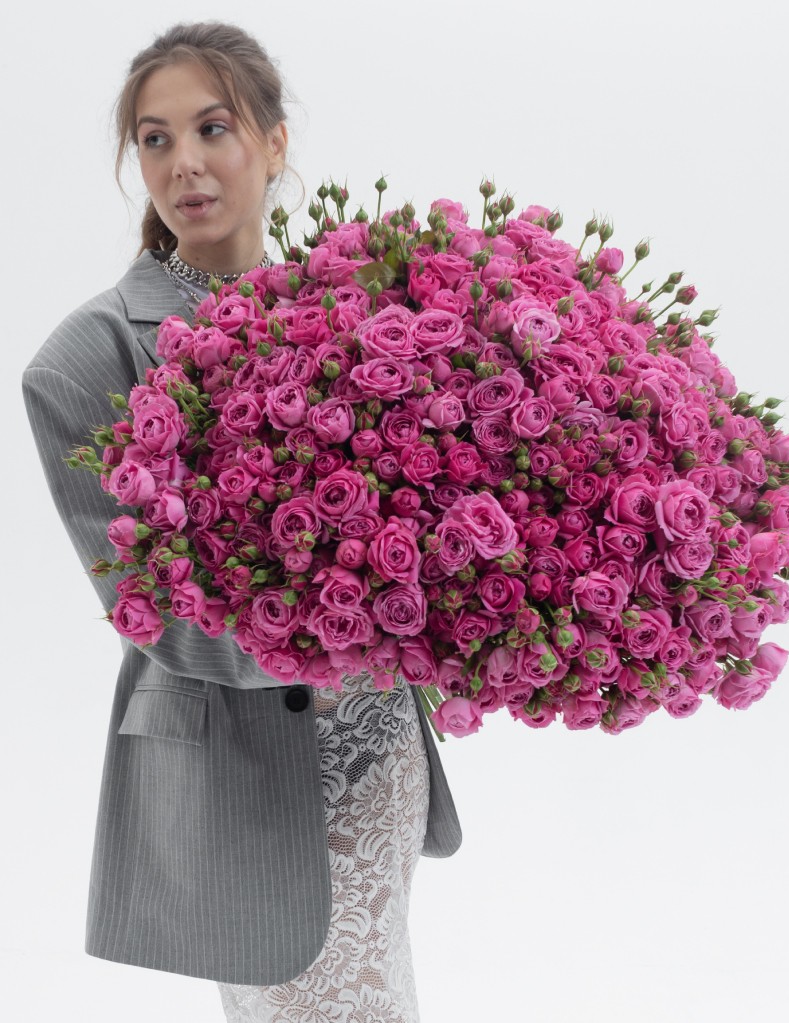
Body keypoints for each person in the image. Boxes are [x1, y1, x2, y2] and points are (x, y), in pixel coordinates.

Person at [20, 20, 462, 1023]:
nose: (183, 162)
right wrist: (363, 630)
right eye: (155, 138)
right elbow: (158, 616)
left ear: (273, 140)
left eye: (211, 128)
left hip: (377, 744)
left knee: (377, 994)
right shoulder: (86, 359)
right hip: (237, 759)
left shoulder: (361, 308)